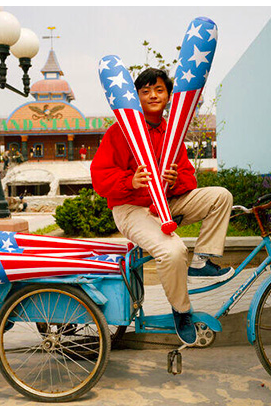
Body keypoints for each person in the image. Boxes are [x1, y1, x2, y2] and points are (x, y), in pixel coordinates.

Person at [90, 68, 234, 346]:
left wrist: (177, 179)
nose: (153, 95)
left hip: (166, 202)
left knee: (220, 196)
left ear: (169, 95)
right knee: (173, 250)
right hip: (131, 208)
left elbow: (189, 177)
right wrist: (129, 181)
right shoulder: (120, 131)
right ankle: (181, 310)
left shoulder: (173, 131)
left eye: (159, 90)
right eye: (145, 91)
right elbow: (99, 177)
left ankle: (203, 260)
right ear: (135, 97)